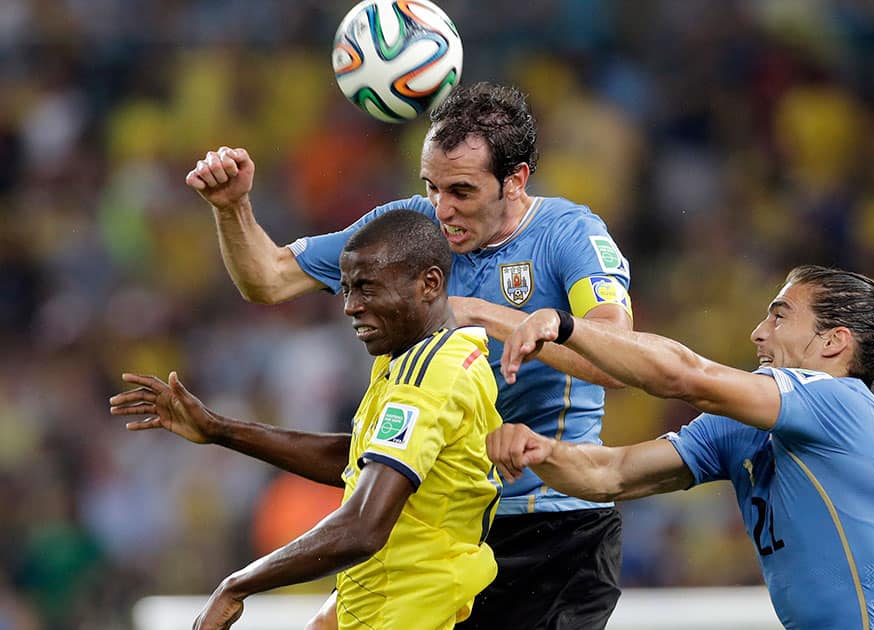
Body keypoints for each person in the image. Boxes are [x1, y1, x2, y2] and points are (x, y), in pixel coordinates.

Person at [185, 82, 633, 629]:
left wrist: (485, 316)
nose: (442, 209)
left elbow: (619, 358)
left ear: (515, 181)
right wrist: (233, 209)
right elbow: (270, 280)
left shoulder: (569, 236)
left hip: (555, 527)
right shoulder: (411, 231)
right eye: (432, 187)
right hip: (438, 527)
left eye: (462, 191)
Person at [110, 210, 504, 630]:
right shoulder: (411, 359)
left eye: (367, 288)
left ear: (429, 284)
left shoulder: (430, 377)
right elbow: (360, 462)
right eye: (348, 289)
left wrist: (238, 585)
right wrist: (220, 430)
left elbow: (364, 525)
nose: (352, 306)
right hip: (380, 606)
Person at [490, 265, 874, 629]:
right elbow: (613, 473)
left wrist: (568, 326)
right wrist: (540, 451)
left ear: (833, 341)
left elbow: (686, 377)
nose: (758, 333)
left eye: (779, 316)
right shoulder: (742, 429)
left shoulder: (841, 403)